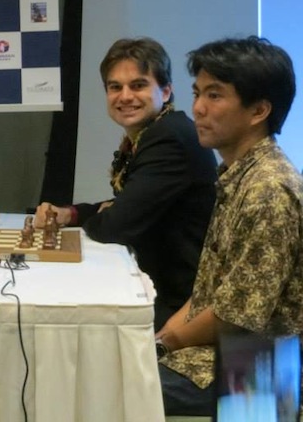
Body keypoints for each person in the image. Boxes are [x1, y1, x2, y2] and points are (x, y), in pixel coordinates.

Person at [156, 36, 303, 416]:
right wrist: (164, 338)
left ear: (258, 111)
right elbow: (212, 292)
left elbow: (236, 317)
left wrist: (163, 343)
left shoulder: (268, 189)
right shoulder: (238, 175)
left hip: (264, 371)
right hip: (230, 354)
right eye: (198, 93)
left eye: (215, 95)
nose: (199, 108)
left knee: (111, 387)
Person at [35, 38, 217, 329]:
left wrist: (109, 213)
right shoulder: (151, 133)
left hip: (178, 307)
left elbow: (115, 225)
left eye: (138, 85)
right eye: (115, 87)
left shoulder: (168, 138)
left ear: (166, 91)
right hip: (158, 287)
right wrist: (72, 213)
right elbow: (126, 206)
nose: (125, 96)